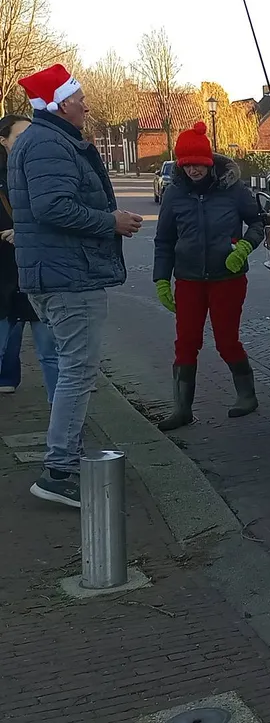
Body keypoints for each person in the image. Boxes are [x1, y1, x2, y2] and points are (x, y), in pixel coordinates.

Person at [8, 64, 144, 508]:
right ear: (62, 103)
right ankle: (60, 470)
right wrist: (112, 221)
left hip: (53, 271)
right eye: (80, 96)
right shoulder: (50, 143)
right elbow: (53, 207)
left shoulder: (39, 140)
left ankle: (64, 459)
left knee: (70, 367)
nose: (86, 103)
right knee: (77, 371)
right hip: (68, 275)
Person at [152, 122, 264, 430]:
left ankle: (247, 395)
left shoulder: (233, 190)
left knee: (226, 340)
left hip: (227, 277)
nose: (193, 171)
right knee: (186, 342)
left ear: (208, 162)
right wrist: (161, 279)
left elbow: (257, 224)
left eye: (198, 164)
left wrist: (244, 246)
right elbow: (164, 241)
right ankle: (182, 409)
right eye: (186, 165)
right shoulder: (174, 195)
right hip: (188, 279)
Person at [0, 115, 58, 397]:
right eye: (20, 136)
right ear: (4, 140)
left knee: (50, 353)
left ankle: (64, 421)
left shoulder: (40, 173)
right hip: (3, 276)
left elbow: (56, 218)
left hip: (36, 275)